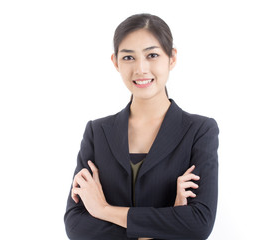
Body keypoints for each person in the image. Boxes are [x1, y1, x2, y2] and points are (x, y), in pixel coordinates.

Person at [64, 13, 219, 240]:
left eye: (152, 55)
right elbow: (76, 226)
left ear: (172, 58)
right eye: (128, 58)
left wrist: (104, 210)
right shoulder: (98, 133)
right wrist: (169, 221)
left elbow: (199, 225)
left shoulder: (199, 130)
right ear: (115, 62)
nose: (141, 69)